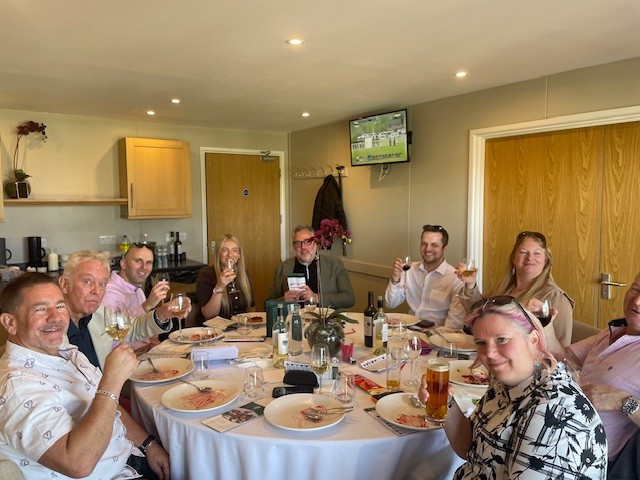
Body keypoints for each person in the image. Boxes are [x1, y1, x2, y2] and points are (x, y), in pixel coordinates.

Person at [0, 273, 170, 479]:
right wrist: (112, 382)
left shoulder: (66, 350)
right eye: (40, 309)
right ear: (10, 323)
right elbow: (77, 465)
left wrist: (148, 444)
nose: (56, 317)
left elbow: (106, 404)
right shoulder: (17, 387)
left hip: (128, 457)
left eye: (60, 306)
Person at [419, 296, 607, 478]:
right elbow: (470, 448)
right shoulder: (505, 383)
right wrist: (447, 402)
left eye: (501, 339)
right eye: (481, 343)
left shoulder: (554, 414)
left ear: (534, 339)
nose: (490, 353)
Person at [546, 272, 640, 478]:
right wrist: (545, 324)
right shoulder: (615, 330)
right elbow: (564, 358)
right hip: (553, 432)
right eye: (636, 289)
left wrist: (623, 401)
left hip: (585, 461)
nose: (637, 301)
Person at [59, 250, 190, 370]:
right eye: (88, 282)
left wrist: (162, 314)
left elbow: (131, 328)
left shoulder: (98, 313)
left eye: (102, 284)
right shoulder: (53, 333)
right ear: (64, 284)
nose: (97, 291)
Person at [458, 230, 574, 345]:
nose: (530, 258)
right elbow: (477, 313)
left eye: (537, 253)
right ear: (513, 258)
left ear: (546, 261)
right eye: (523, 252)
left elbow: (561, 350)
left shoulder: (556, 298)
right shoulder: (502, 288)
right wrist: (471, 284)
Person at [385, 224, 465, 329]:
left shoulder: (455, 278)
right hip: (409, 329)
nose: (428, 249)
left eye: (434, 245)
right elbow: (391, 303)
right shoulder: (409, 270)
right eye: (424, 244)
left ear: (445, 248)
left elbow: (454, 324)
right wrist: (395, 278)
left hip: (437, 333)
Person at [266, 225, 355, 309]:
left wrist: (316, 298)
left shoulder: (335, 265)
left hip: (325, 319)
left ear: (316, 243)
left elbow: (349, 298)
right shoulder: (283, 268)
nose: (303, 247)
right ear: (293, 247)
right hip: (293, 318)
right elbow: (267, 304)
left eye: (308, 242)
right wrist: (283, 300)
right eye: (298, 243)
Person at [103, 243, 171, 350]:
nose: (144, 267)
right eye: (138, 261)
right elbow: (111, 333)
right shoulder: (110, 292)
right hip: (124, 356)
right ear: (123, 263)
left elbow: (146, 330)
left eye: (148, 262)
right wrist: (146, 305)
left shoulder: (137, 289)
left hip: (145, 351)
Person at [196, 234, 255, 323]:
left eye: (234, 250)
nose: (230, 255)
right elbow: (209, 316)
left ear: (239, 255)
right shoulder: (206, 274)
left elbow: (251, 309)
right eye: (224, 250)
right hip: (215, 328)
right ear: (218, 254)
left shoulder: (244, 274)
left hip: (241, 328)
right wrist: (220, 286)